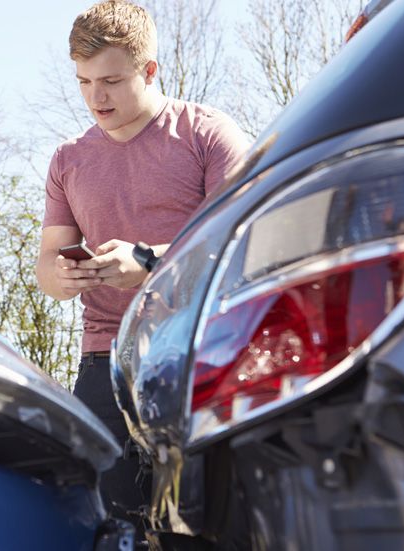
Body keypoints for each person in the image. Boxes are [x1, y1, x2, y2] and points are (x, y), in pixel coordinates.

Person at [35, 0, 250, 535]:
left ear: (150, 70)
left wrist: (152, 263)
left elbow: (241, 248)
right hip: (103, 361)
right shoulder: (67, 159)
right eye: (84, 81)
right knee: (109, 530)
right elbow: (47, 264)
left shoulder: (208, 135)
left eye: (110, 80)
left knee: (207, 528)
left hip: (201, 352)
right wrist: (60, 277)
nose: (94, 97)